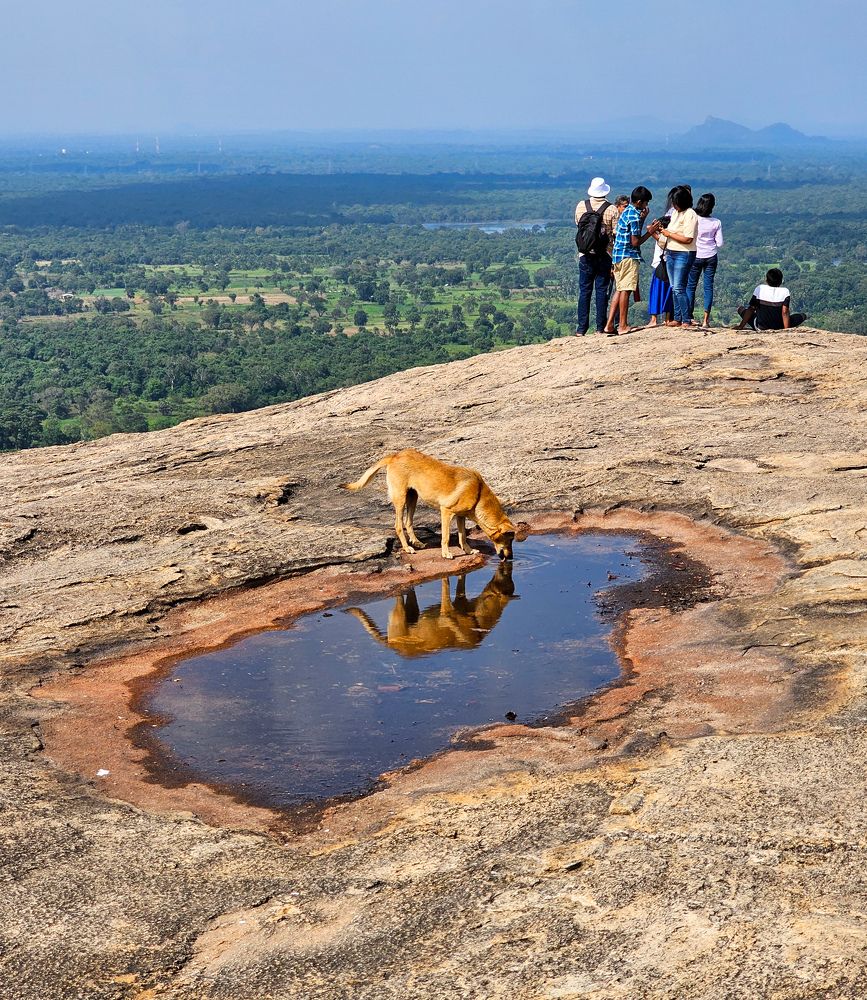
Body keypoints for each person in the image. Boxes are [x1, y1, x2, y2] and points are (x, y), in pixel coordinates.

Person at [604, 186, 660, 336]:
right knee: (626, 290)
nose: (646, 205)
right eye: (646, 202)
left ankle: (609, 325)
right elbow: (635, 242)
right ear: (640, 202)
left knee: (620, 289)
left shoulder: (627, 211)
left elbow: (631, 232)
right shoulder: (634, 215)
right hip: (628, 256)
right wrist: (651, 232)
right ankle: (622, 325)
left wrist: (643, 220)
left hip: (617, 256)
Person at [574, 177, 620, 335]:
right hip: (604, 254)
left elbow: (578, 226)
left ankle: (581, 329)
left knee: (584, 291)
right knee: (601, 291)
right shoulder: (612, 209)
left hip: (585, 254)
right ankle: (600, 327)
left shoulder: (581, 206)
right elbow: (615, 233)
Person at [655, 186, 697, 328]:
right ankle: (678, 318)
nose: (673, 205)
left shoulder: (690, 214)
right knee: (674, 287)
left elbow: (688, 238)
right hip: (671, 252)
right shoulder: (676, 214)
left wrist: (668, 234)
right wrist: (663, 231)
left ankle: (686, 319)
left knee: (679, 287)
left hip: (684, 253)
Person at [686, 193, 723, 327]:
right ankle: (706, 320)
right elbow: (720, 243)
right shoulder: (716, 222)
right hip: (711, 255)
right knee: (708, 287)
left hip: (696, 255)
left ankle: (689, 317)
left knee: (691, 286)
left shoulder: (695, 219)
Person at [646, 187, 678, 327]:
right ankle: (667, 318)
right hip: (667, 266)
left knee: (657, 292)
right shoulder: (670, 234)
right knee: (667, 293)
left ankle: (655, 319)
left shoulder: (663, 237)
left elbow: (660, 241)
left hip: (660, 266)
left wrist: (652, 231)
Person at [736, 268, 806, 330]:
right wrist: (786, 331)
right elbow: (785, 312)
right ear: (781, 281)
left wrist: (741, 326)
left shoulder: (759, 289)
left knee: (741, 309)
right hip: (779, 327)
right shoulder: (785, 292)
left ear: (767, 280)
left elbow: (751, 309)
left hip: (760, 327)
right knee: (802, 316)